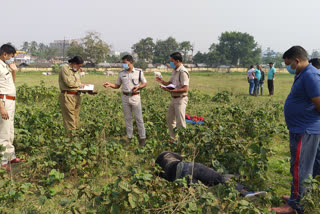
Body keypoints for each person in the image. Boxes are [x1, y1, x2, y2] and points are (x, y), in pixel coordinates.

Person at [271, 46, 320, 214]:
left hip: (305, 130)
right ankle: (299, 197)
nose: (288, 67)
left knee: (301, 168)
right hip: (302, 129)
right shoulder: (303, 74)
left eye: (288, 64)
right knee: (306, 167)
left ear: (297, 60)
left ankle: (295, 206)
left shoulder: (311, 75)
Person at [155, 151, 266, 199]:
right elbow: (183, 157)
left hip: (181, 180)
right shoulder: (167, 154)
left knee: (207, 189)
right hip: (188, 167)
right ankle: (244, 191)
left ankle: (236, 178)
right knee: (218, 178)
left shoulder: (158, 172)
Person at [103, 55, 147, 146]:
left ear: (130, 62)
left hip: (135, 97)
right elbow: (117, 85)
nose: (123, 65)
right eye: (123, 63)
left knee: (139, 118)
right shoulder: (121, 73)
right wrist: (110, 84)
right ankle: (129, 138)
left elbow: (144, 83)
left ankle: (142, 138)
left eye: (125, 63)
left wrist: (138, 87)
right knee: (128, 119)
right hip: (125, 97)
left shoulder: (138, 72)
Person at [155, 52, 189, 142]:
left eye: (171, 61)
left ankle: (182, 142)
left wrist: (173, 91)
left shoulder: (183, 72)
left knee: (180, 122)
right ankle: (173, 139)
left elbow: (185, 89)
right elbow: (170, 83)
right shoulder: (175, 70)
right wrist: (162, 82)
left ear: (177, 61)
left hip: (180, 99)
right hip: (173, 99)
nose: (170, 63)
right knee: (170, 119)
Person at [0, 44, 23, 171]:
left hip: (10, 101)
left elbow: (10, 84)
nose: (12, 59)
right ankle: (2, 161)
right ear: (4, 54)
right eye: (11, 56)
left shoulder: (5, 66)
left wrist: (14, 71)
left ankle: (10, 156)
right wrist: (2, 107)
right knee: (3, 131)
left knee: (9, 129)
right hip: (3, 101)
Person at [59, 56, 85, 131]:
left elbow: (76, 84)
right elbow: (69, 83)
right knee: (69, 119)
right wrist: (80, 85)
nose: (79, 68)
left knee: (75, 117)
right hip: (68, 96)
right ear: (74, 63)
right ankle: (71, 138)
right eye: (79, 66)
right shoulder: (65, 69)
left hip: (77, 95)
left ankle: (75, 135)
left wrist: (86, 90)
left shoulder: (75, 71)